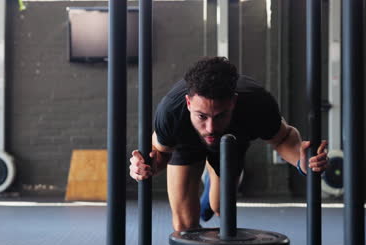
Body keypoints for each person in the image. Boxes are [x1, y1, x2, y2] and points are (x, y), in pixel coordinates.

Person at [129, 57, 328, 231]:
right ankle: (209, 169)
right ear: (189, 103)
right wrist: (147, 166)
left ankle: (212, 174)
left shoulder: (257, 102)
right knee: (184, 226)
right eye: (202, 116)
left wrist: (303, 162)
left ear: (233, 102)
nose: (211, 127)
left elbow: (283, 138)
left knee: (219, 207)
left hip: (232, 144)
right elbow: (161, 152)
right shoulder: (171, 110)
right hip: (186, 144)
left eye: (220, 116)